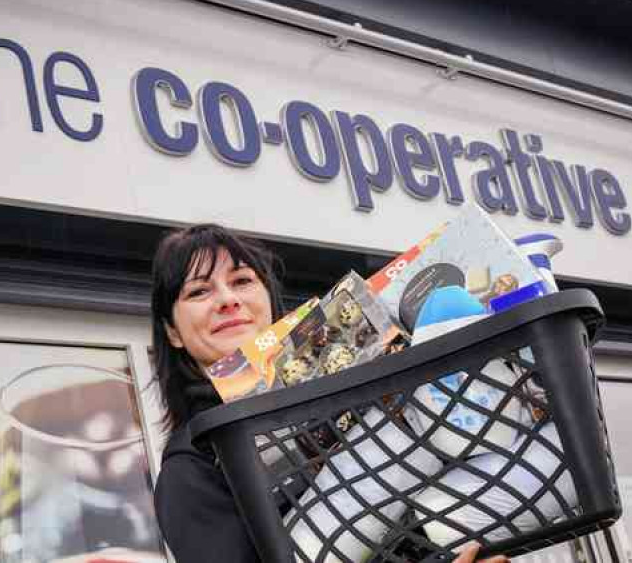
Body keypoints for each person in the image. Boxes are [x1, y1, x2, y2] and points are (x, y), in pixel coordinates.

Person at [150, 223, 507, 563]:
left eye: (241, 280)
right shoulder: (195, 466)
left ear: (273, 307)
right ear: (173, 333)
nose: (227, 300)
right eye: (199, 291)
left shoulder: (357, 390)